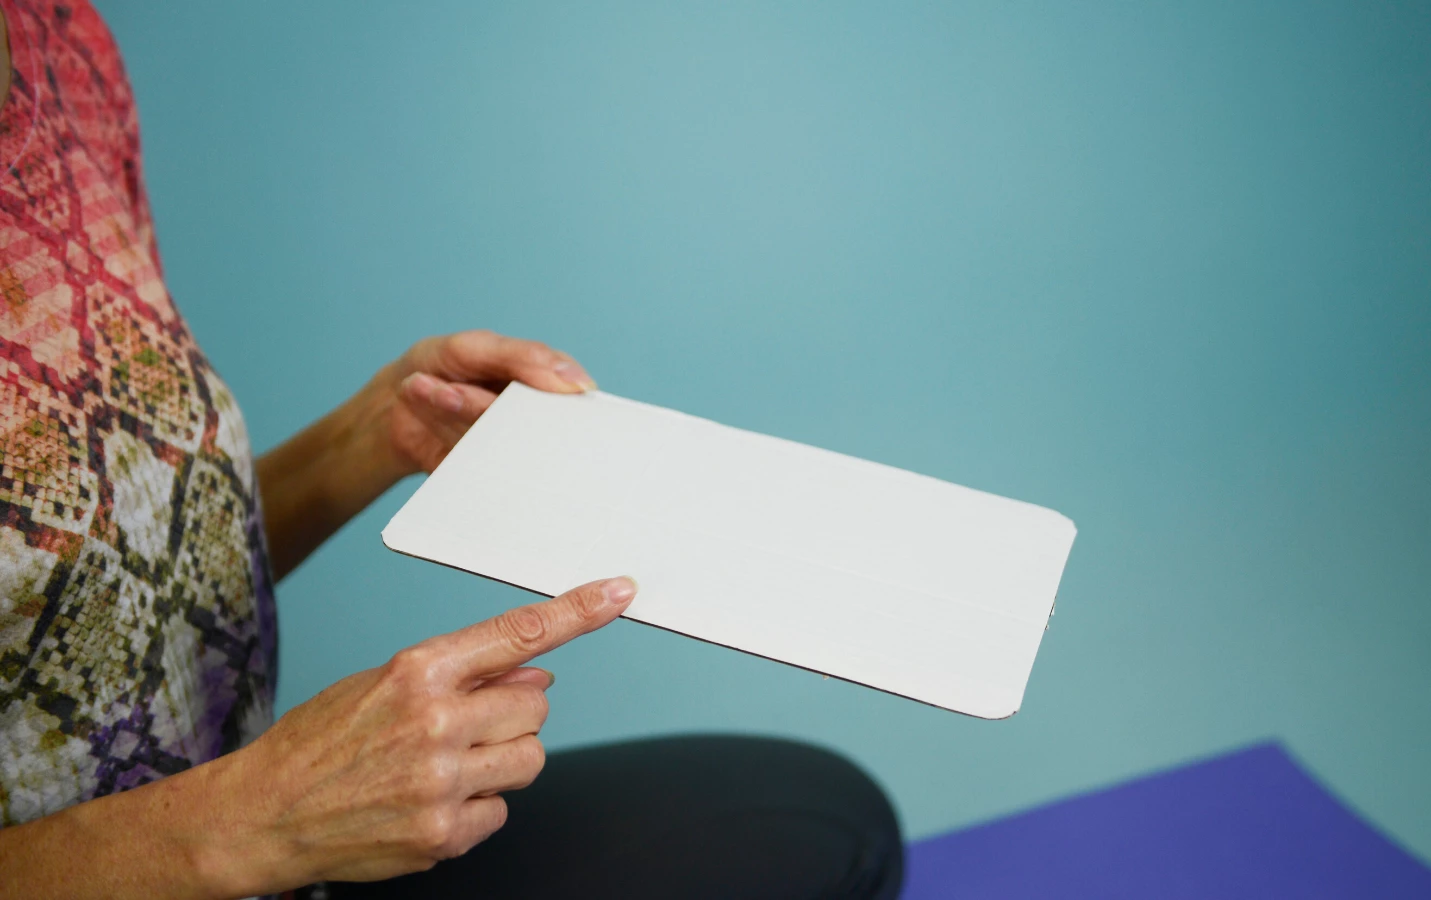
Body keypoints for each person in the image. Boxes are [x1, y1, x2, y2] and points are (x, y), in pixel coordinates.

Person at [0, 1, 904, 897]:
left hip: (270, 847)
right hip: (226, 844)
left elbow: (97, 585)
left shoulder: (60, 47)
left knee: (822, 818)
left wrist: (376, 435)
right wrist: (245, 823)